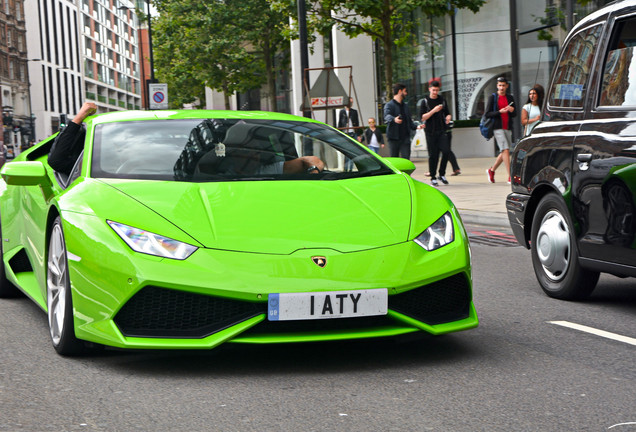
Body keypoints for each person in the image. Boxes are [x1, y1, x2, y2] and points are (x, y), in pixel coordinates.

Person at [48, 102, 97, 175]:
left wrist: (78, 119)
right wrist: (78, 119)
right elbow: (57, 161)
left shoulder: (96, 164)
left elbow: (56, 161)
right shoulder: (95, 163)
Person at [420, 79, 453, 186]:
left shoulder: (442, 100)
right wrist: (434, 110)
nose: (435, 92)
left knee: (446, 151)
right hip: (430, 131)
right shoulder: (424, 101)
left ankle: (441, 174)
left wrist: (448, 117)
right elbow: (422, 117)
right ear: (429, 89)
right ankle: (433, 176)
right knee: (433, 155)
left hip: (442, 130)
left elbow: (447, 113)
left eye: (437, 90)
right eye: (433, 90)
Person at [485, 77, 516, 184]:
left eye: (503, 85)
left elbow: (514, 114)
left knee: (504, 151)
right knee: (506, 150)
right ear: (497, 86)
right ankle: (510, 176)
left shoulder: (510, 97)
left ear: (507, 86)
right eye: (500, 85)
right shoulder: (493, 98)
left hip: (507, 127)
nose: (501, 87)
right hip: (497, 127)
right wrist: (499, 112)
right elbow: (487, 113)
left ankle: (491, 170)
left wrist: (512, 110)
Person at [383, 83, 420, 159]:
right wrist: (394, 119)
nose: (406, 93)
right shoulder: (389, 105)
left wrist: (417, 126)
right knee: (394, 160)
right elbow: (386, 116)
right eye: (405, 91)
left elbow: (409, 122)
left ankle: (405, 171)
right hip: (393, 138)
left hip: (405, 138)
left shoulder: (406, 106)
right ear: (400, 91)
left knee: (406, 159)